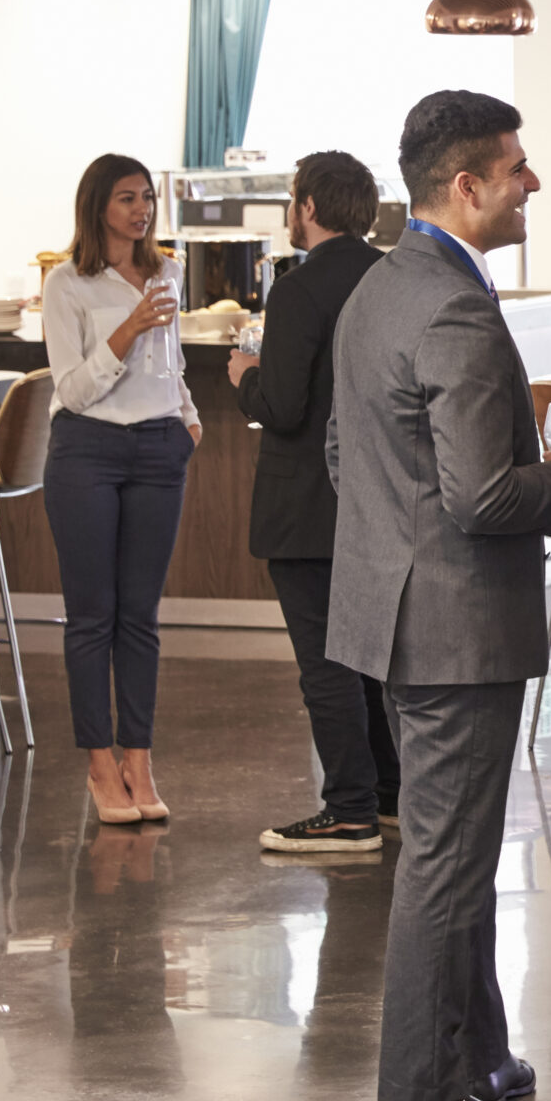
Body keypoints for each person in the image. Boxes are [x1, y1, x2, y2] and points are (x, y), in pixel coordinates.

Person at [329, 89, 551, 1101]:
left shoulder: (380, 287)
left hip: (398, 614)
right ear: (468, 185)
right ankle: (423, 1098)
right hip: (453, 626)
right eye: (518, 167)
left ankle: (479, 1054)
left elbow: (355, 462)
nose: (533, 182)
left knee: (458, 850)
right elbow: (486, 497)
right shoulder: (453, 307)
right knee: (446, 861)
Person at [229, 152, 395, 852]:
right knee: (372, 661)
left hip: (305, 508)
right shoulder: (391, 278)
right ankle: (389, 797)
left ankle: (350, 809)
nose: (290, 214)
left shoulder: (298, 292)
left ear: (310, 207)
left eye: (293, 200)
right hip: (378, 502)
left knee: (324, 665)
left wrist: (246, 376)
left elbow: (286, 406)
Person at [43, 156, 202, 827]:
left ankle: (139, 758)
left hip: (160, 447)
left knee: (140, 616)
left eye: (145, 197)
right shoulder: (67, 284)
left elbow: (172, 360)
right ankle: (99, 762)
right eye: (126, 198)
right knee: (93, 616)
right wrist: (128, 327)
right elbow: (73, 389)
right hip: (89, 450)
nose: (140, 210)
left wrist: (188, 414)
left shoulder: (167, 270)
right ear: (97, 207)